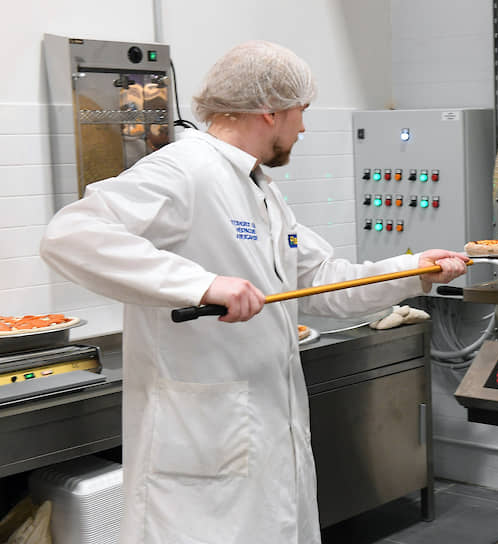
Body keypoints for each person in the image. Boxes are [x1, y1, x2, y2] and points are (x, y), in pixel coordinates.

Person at [39, 41, 468, 544]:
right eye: (301, 110)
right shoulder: (185, 168)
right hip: (204, 450)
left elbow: (322, 282)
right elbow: (70, 236)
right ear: (270, 109)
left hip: (266, 438)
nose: (303, 127)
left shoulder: (260, 188)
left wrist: (413, 270)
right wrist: (201, 285)